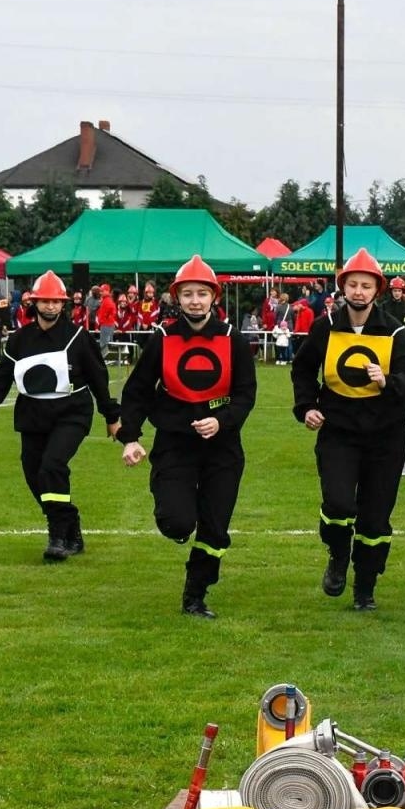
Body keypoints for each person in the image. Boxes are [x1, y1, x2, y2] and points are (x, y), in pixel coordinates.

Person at [119, 256, 257, 619]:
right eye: (188, 294)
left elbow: (246, 394)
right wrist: (130, 438)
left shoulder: (233, 339)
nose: (195, 301)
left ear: (214, 297)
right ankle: (175, 511)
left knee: (215, 528)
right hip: (174, 444)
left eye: (202, 294)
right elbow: (137, 391)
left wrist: (222, 421)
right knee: (178, 522)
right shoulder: (163, 339)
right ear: (177, 298)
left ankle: (195, 595)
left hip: (223, 448)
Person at [291, 248, 405, 611]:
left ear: (377, 289)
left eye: (366, 286)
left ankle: (365, 587)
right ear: (343, 287)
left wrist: (387, 381)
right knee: (337, 503)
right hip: (338, 432)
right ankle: (337, 554)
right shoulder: (325, 327)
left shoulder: (394, 330)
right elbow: (302, 369)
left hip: (385, 436)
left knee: (375, 518)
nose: (359, 292)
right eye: (353, 285)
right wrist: (307, 407)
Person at [0, 270, 120, 562]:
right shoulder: (20, 340)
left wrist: (111, 416)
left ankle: (57, 536)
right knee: (34, 475)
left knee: (52, 466)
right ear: (35, 303)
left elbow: (98, 378)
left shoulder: (78, 337)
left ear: (63, 304)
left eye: (56, 302)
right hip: (33, 415)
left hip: (71, 413)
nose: (51, 306)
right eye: (45, 301)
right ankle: (69, 521)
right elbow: (1, 376)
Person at [95, 284, 118, 356]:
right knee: (107, 343)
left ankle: (106, 358)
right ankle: (108, 358)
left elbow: (111, 312)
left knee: (105, 344)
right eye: (100, 291)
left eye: (102, 291)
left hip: (106, 325)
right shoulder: (106, 300)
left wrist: (104, 319)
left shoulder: (107, 300)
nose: (100, 293)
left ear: (107, 291)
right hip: (106, 324)